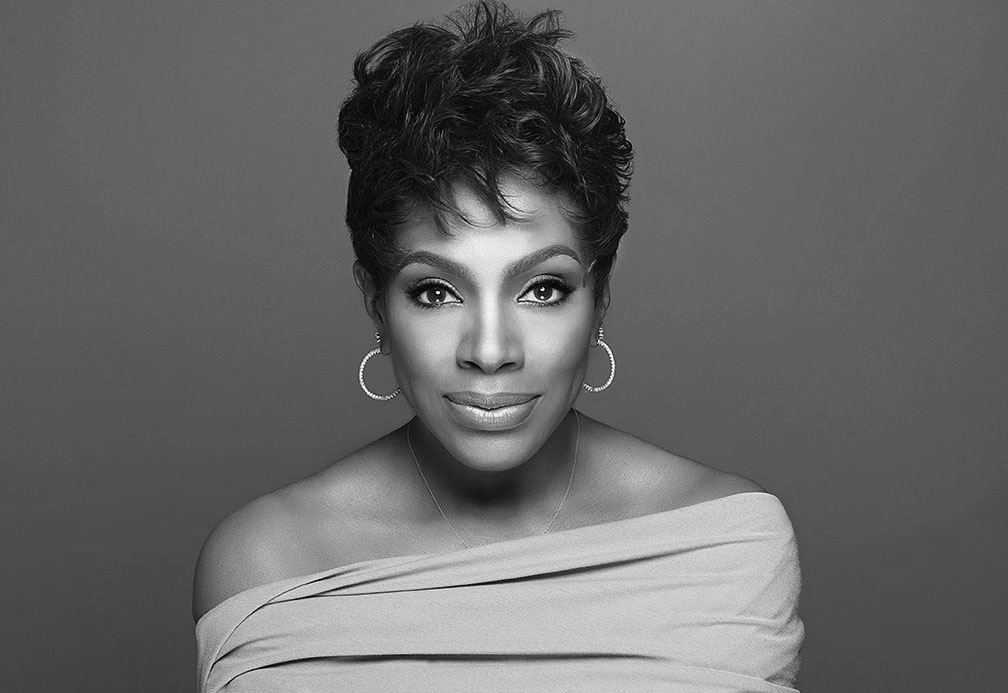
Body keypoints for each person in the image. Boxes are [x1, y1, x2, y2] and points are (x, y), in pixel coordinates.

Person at [193, 2, 804, 690]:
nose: (489, 350)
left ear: (600, 296)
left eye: (542, 289)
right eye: (435, 292)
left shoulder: (725, 546)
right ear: (376, 302)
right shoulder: (268, 568)